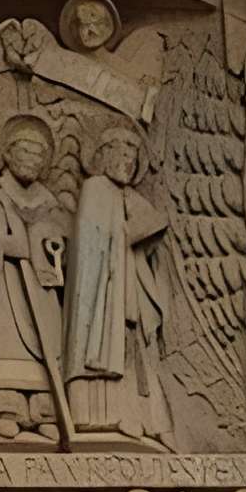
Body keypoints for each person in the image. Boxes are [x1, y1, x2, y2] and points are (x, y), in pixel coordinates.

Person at [64, 125, 172, 441]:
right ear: (105, 155)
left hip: (126, 283)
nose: (127, 162)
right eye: (121, 154)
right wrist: (127, 233)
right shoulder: (96, 188)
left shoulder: (129, 196)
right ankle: (100, 416)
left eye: (132, 156)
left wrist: (143, 229)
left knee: (132, 347)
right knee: (103, 344)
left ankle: (135, 414)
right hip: (101, 286)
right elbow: (93, 240)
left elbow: (147, 233)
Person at [0, 114, 68, 440]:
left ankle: (42, 411)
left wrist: (51, 244)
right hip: (3, 286)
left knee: (44, 345)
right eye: (24, 151)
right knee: (5, 342)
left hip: (39, 286)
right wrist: (12, 243)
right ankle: (3, 407)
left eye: (39, 154)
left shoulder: (48, 202)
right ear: (7, 155)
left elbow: (59, 243)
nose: (31, 160)